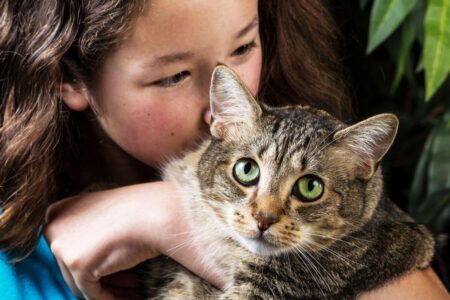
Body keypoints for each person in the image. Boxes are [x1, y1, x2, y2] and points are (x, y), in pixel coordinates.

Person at [0, 0, 448, 299]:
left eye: (244, 46)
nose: (220, 114)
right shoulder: (13, 273)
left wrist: (166, 214)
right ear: (67, 78)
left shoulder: (308, 152)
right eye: (173, 76)